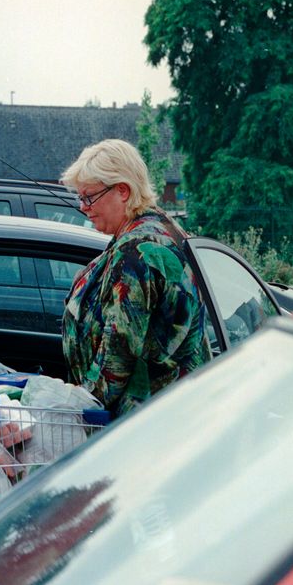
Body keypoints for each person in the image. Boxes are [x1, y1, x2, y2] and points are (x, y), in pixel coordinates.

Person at [60, 139, 209, 418]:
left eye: (89, 197)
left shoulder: (137, 252)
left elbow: (119, 354)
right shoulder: (160, 229)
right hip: (173, 412)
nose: (83, 207)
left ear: (123, 191)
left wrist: (77, 410)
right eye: (80, 198)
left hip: (144, 424)